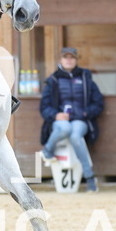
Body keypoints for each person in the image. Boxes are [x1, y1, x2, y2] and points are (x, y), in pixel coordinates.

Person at [39, 47, 105, 192]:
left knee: (75, 136)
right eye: (66, 57)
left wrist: (86, 113)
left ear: (76, 59)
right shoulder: (53, 80)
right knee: (65, 127)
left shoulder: (86, 78)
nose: (69, 60)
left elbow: (98, 103)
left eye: (72, 57)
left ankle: (89, 177)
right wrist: (56, 115)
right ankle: (47, 150)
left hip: (80, 120)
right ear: (60, 59)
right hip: (60, 122)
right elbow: (44, 107)